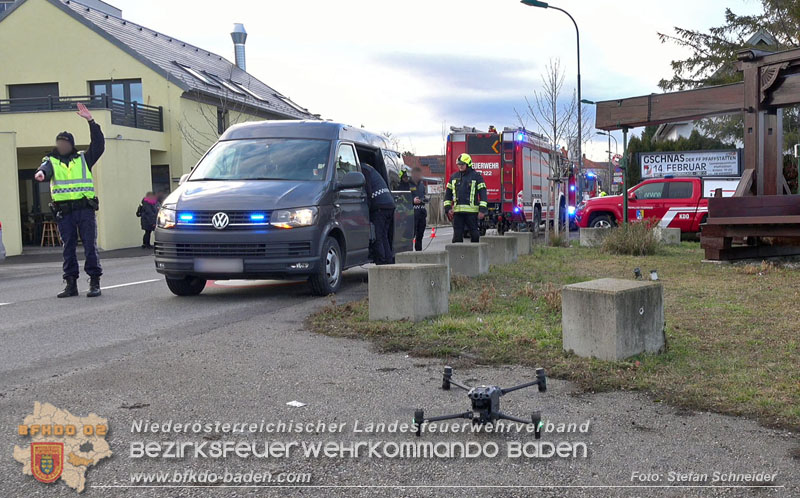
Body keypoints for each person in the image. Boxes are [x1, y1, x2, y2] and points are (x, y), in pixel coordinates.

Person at [34, 102, 105, 298]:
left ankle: (94, 282)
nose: (62, 145)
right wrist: (41, 174)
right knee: (68, 248)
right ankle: (71, 284)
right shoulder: (51, 161)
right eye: (60, 143)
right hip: (64, 212)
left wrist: (91, 121)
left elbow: (99, 145)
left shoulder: (83, 159)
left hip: (85, 209)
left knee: (90, 246)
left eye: (65, 143)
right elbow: (44, 170)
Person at [443, 153, 488, 243]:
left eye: (462, 164)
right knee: (457, 236)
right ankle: (457, 251)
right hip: (458, 213)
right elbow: (448, 195)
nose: (460, 166)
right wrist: (447, 208)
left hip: (472, 213)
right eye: (459, 164)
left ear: (468, 164)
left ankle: (475, 251)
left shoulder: (477, 177)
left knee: (474, 235)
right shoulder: (453, 177)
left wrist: (482, 210)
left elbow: (483, 194)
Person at [361, 163, 395, 265]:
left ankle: (381, 262)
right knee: (384, 235)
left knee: (377, 236)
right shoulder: (371, 169)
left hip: (380, 207)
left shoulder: (364, 170)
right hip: (389, 205)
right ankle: (388, 261)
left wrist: (367, 209)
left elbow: (368, 190)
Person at [408, 167, 428, 251]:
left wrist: (425, 199)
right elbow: (404, 197)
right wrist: (412, 201)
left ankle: (419, 252)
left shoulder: (421, 185)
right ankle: (408, 251)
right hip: (412, 214)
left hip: (421, 213)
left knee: (420, 235)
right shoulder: (408, 184)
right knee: (411, 235)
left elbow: (423, 195)